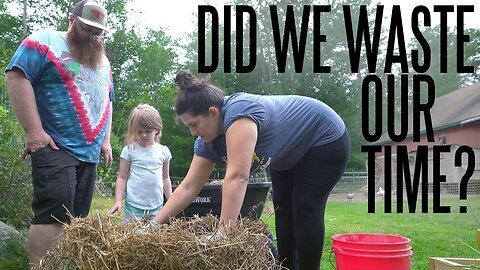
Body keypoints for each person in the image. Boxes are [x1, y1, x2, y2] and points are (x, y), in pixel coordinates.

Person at [151, 70, 350, 270]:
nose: (193, 132)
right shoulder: (206, 142)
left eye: (194, 124)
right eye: (188, 127)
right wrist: (153, 224)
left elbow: (237, 176)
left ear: (213, 113)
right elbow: (188, 187)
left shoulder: (239, 113)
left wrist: (223, 233)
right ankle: (287, 267)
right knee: (283, 209)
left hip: (323, 137)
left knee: (304, 206)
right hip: (287, 154)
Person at [5, 0, 113, 267]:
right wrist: (34, 132)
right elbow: (18, 77)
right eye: (88, 29)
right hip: (55, 146)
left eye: (98, 32)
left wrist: (107, 140)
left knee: (76, 217)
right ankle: (39, 266)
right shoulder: (45, 41)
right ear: (72, 20)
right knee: (53, 214)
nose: (93, 37)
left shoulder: (103, 62)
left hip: (88, 153)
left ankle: (64, 265)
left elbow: (107, 100)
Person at [108, 104, 172, 223]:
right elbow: (122, 177)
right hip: (134, 206)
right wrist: (118, 201)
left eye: (148, 131)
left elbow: (166, 178)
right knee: (132, 238)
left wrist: (171, 201)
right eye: (139, 131)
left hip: (156, 206)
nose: (143, 135)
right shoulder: (129, 150)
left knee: (155, 238)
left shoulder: (163, 151)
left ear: (157, 129)